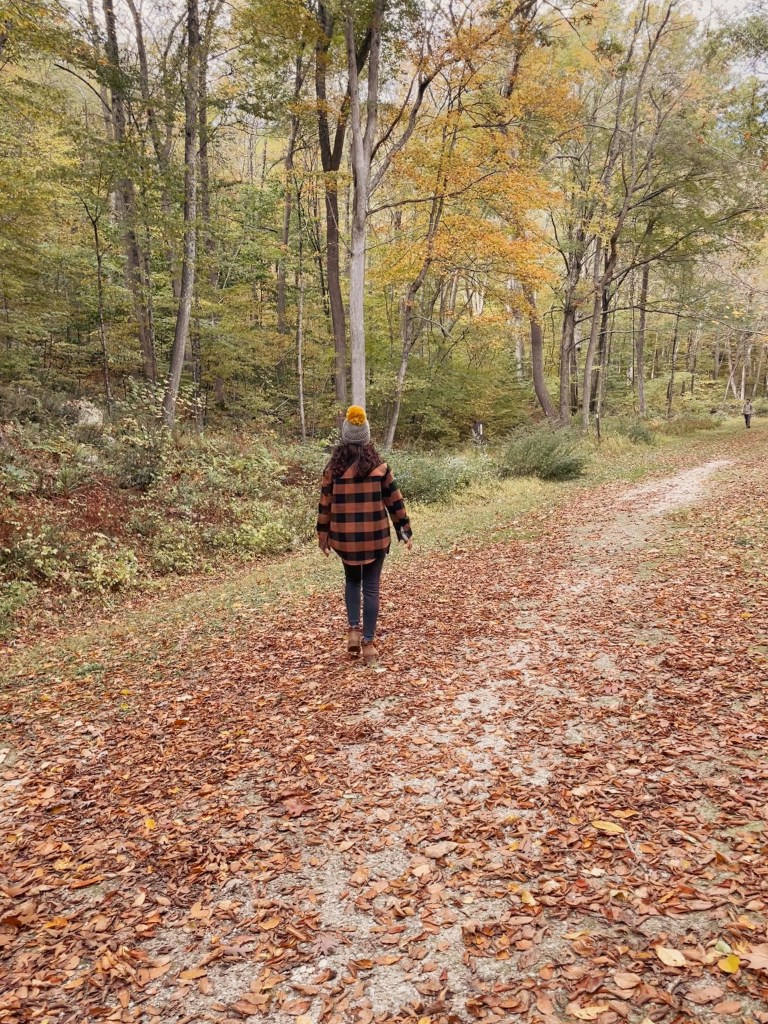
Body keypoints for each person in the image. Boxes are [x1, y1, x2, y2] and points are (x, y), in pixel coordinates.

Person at [317, 406, 413, 667]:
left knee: (352, 582)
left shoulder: (332, 471)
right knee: (371, 587)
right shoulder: (380, 469)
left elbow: (324, 506)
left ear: (345, 438)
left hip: (344, 540)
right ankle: (368, 643)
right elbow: (395, 502)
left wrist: (322, 536)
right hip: (374, 538)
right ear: (367, 438)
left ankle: (352, 629)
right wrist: (404, 531)